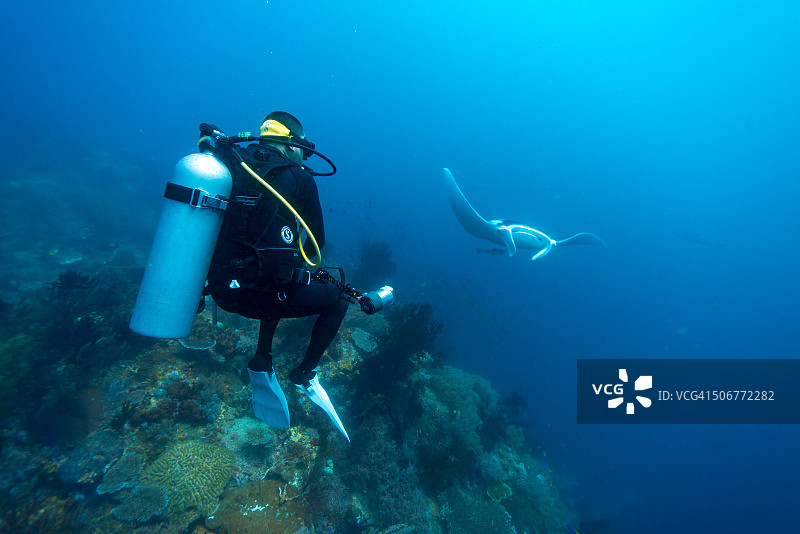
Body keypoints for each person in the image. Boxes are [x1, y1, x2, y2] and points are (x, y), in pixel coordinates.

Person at [203, 111, 350, 439]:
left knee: (282, 276)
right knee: (337, 297)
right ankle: (305, 373)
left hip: (222, 293)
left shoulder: (232, 161)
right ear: (293, 145)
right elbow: (317, 243)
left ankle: (262, 357)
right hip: (261, 297)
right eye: (303, 150)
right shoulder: (298, 177)